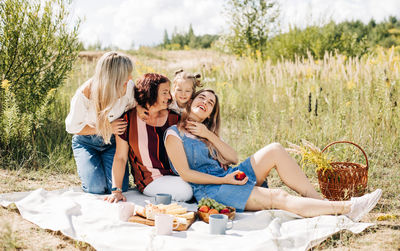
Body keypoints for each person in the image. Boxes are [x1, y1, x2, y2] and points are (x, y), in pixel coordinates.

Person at [164, 89, 382, 221]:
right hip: (212, 189)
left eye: (211, 103)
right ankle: (348, 208)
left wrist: (208, 135)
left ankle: (320, 202)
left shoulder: (205, 133)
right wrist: (224, 179)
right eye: (202, 98)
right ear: (191, 102)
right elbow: (187, 174)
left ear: (211, 113)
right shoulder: (173, 135)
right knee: (279, 196)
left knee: (275, 149)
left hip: (228, 176)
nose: (205, 102)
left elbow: (232, 157)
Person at [104, 73, 193, 203]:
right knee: (187, 191)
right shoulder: (128, 120)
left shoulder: (175, 118)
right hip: (150, 180)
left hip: (177, 174)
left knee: (197, 182)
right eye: (165, 92)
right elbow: (120, 157)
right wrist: (116, 191)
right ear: (151, 93)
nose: (169, 97)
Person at [65, 51, 134, 194]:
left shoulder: (129, 87)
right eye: (126, 74)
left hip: (113, 143)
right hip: (86, 142)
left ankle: (102, 168)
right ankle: (91, 169)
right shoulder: (85, 93)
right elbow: (73, 127)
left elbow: (134, 109)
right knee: (95, 188)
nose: (130, 77)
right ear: (114, 77)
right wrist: (106, 128)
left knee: (120, 187)